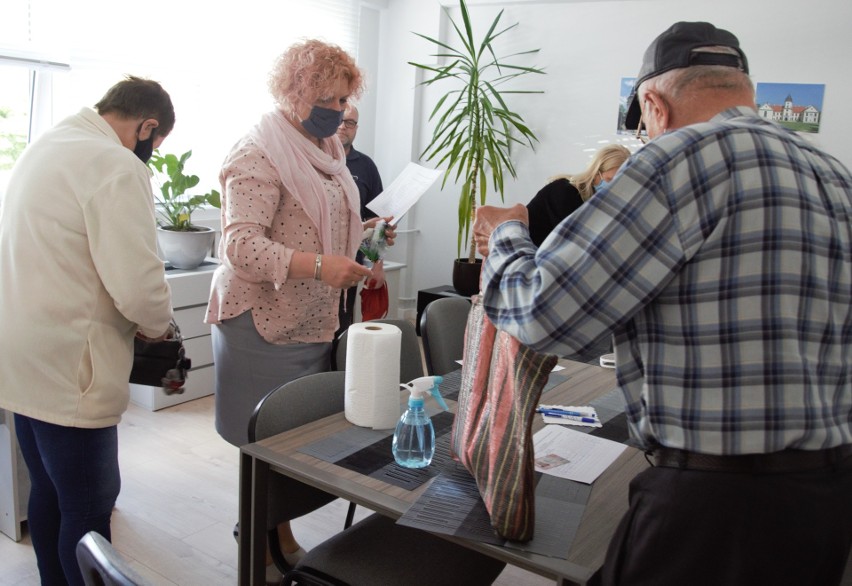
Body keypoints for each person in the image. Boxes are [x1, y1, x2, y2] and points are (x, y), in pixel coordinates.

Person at [473, 21, 851, 586]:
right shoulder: (833, 175)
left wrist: (506, 234)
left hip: (717, 508)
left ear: (654, 103)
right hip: (827, 497)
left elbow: (541, 314)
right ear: (744, 89)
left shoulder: (677, 159)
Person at [205, 39, 392, 583]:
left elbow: (328, 224)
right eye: (326, 97)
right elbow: (239, 246)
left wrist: (368, 237)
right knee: (265, 443)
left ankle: (277, 538)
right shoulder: (257, 152)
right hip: (261, 323)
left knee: (293, 443)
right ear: (294, 93)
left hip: (312, 317)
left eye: (343, 98)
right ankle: (258, 549)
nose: (336, 109)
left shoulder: (328, 151)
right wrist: (317, 266)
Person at [0, 76, 175, 586]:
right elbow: (139, 284)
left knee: (50, 493)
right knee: (91, 511)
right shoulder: (115, 165)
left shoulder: (47, 145)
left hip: (22, 357)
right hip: (70, 369)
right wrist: (159, 326)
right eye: (155, 144)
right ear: (147, 127)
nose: (149, 155)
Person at [335, 103, 386, 336]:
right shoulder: (313, 160)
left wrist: (376, 265)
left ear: (356, 128)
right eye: (339, 119)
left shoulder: (366, 167)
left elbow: (376, 220)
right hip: (315, 262)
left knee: (342, 327)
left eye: (350, 122)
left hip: (351, 264)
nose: (342, 126)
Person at [526, 144, 630, 246]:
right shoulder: (564, 191)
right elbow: (573, 244)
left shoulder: (597, 202)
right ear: (596, 172)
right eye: (610, 180)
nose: (614, 188)